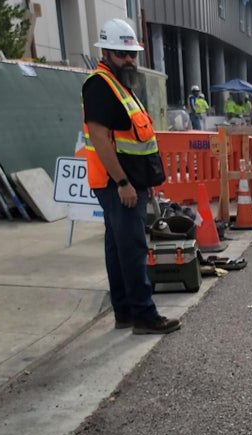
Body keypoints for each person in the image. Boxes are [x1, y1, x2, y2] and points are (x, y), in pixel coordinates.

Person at [81, 18, 179, 335]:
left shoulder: (121, 85)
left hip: (128, 183)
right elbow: (99, 137)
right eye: (123, 54)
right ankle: (143, 315)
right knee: (133, 249)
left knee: (118, 248)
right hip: (116, 185)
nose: (130, 60)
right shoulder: (100, 85)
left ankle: (125, 312)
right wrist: (123, 182)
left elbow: (136, 140)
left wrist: (144, 184)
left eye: (133, 54)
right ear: (106, 53)